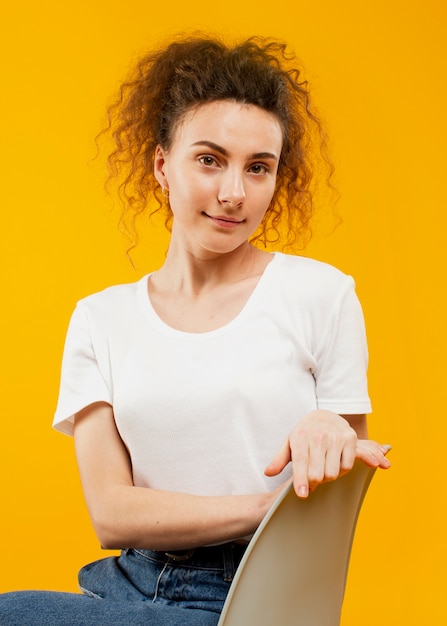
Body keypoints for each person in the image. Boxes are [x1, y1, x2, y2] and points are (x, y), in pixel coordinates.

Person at [0, 34, 391, 625]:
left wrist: (325, 426)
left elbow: (340, 491)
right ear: (162, 164)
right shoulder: (100, 320)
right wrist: (269, 505)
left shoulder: (321, 294)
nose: (233, 193)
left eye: (258, 168)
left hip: (260, 592)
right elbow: (112, 514)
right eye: (209, 160)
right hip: (126, 588)